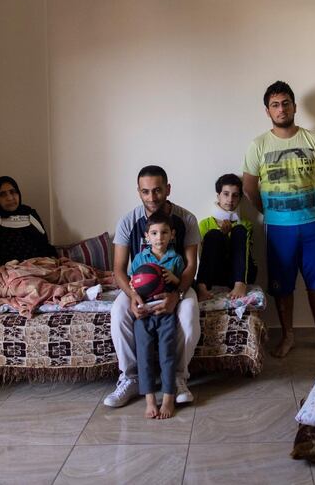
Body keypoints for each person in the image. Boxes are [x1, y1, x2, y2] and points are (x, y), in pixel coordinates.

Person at [243, 80, 315, 358]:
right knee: (282, 287)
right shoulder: (258, 145)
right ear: (267, 111)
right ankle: (288, 336)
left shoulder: (313, 140)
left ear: (294, 106)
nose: (281, 109)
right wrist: (271, 212)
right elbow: (249, 188)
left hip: (312, 225)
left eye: (285, 103)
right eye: (275, 105)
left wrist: (308, 207)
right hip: (278, 230)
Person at [104, 165, 201, 408]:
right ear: (138, 192)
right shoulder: (128, 221)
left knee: (189, 314)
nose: (152, 197)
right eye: (145, 192)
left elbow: (190, 265)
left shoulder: (186, 219)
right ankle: (131, 378)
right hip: (139, 288)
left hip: (175, 283)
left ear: (167, 189)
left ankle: (178, 377)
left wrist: (177, 295)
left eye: (157, 190)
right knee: (117, 312)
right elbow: (118, 269)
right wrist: (133, 295)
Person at [130, 211, 185, 419]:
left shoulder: (176, 259)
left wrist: (174, 278)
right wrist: (133, 291)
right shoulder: (139, 259)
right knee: (143, 352)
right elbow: (132, 284)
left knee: (167, 353)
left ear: (172, 235)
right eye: (154, 233)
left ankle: (169, 396)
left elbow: (182, 287)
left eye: (164, 233)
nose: (159, 237)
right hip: (144, 312)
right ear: (147, 237)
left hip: (165, 311)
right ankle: (150, 399)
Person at [195, 173, 257, 301]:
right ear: (218, 196)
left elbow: (245, 254)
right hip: (216, 272)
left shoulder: (246, 224)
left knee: (240, 230)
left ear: (240, 198)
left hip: (240, 273)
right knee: (213, 234)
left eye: (235, 195)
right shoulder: (205, 223)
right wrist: (221, 234)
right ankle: (202, 286)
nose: (230, 199)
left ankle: (240, 284)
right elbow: (202, 255)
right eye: (226, 194)